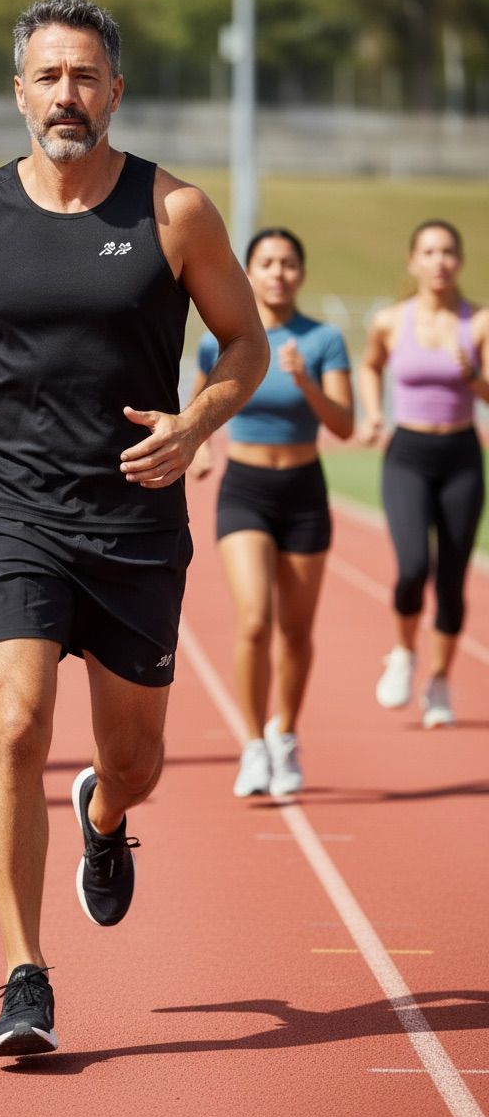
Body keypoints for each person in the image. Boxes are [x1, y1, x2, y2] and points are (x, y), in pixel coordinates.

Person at [0, 0, 268, 1057]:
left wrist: (196, 421)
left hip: (134, 519)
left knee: (135, 757)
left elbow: (245, 346)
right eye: (48, 76)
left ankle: (104, 818)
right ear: (19, 92)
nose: (67, 94)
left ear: (115, 89)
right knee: (12, 723)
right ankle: (24, 975)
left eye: (85, 75)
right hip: (11, 506)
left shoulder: (174, 211)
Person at [190, 228, 353, 798]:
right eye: (267, 263)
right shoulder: (222, 341)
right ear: (250, 273)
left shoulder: (324, 339)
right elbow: (199, 406)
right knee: (256, 620)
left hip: (305, 490)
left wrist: (305, 381)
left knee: (297, 630)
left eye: (288, 263)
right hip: (247, 490)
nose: (278, 272)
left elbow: (344, 424)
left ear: (300, 273)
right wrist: (201, 447)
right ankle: (254, 744)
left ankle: (286, 736)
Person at [359, 220, 488, 727]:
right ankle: (404, 652)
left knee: (453, 581)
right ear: (413, 262)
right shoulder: (391, 320)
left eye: (448, 252)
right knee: (413, 566)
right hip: (407, 452)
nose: (439, 261)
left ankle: (438, 682)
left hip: (460, 455)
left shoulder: (478, 323)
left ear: (459, 260)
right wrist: (373, 412)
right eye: (429, 252)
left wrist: (473, 375)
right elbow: (370, 366)